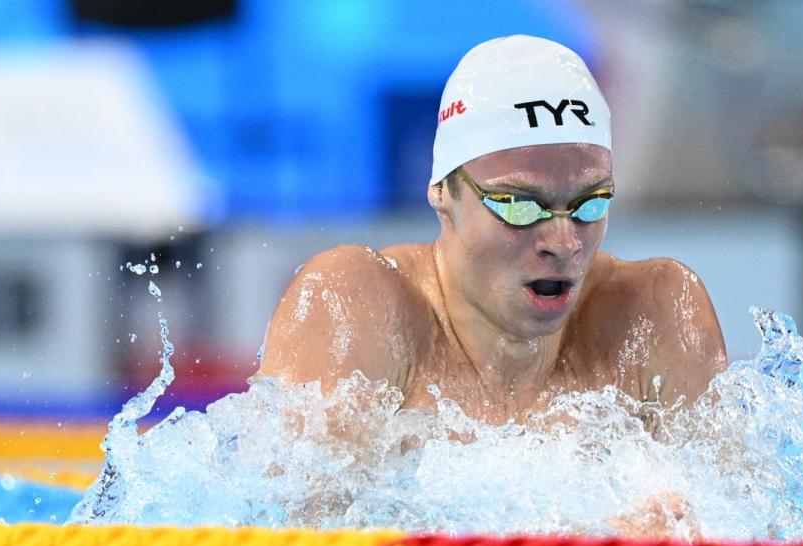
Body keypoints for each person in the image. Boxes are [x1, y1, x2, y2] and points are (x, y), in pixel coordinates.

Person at [259, 35, 727, 427]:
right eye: (521, 206)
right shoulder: (357, 304)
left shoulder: (654, 314)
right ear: (443, 193)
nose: (564, 243)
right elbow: (293, 527)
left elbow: (743, 523)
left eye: (590, 204)